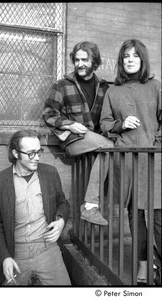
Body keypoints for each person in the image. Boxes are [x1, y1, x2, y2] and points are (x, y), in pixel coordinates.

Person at [100, 39, 161, 286]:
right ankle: (144, 264)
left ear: (142, 59)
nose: (130, 59)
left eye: (135, 55)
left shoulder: (156, 86)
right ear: (121, 61)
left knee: (158, 217)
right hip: (127, 161)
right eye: (126, 56)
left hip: (155, 160)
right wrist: (120, 125)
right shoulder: (113, 91)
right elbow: (104, 123)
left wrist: (155, 143)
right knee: (135, 216)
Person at [43, 41, 114, 226]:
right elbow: (48, 114)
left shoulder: (104, 87)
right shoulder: (62, 85)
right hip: (72, 139)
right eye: (77, 60)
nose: (80, 64)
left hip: (93, 140)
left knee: (112, 149)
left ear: (94, 63)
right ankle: (90, 206)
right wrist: (70, 125)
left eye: (85, 60)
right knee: (109, 146)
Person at [0, 129, 71, 286]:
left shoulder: (50, 173)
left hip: (47, 248)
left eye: (39, 151)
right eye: (31, 153)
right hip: (16, 252)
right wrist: (5, 257)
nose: (37, 157)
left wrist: (60, 221)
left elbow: (63, 203)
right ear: (16, 153)